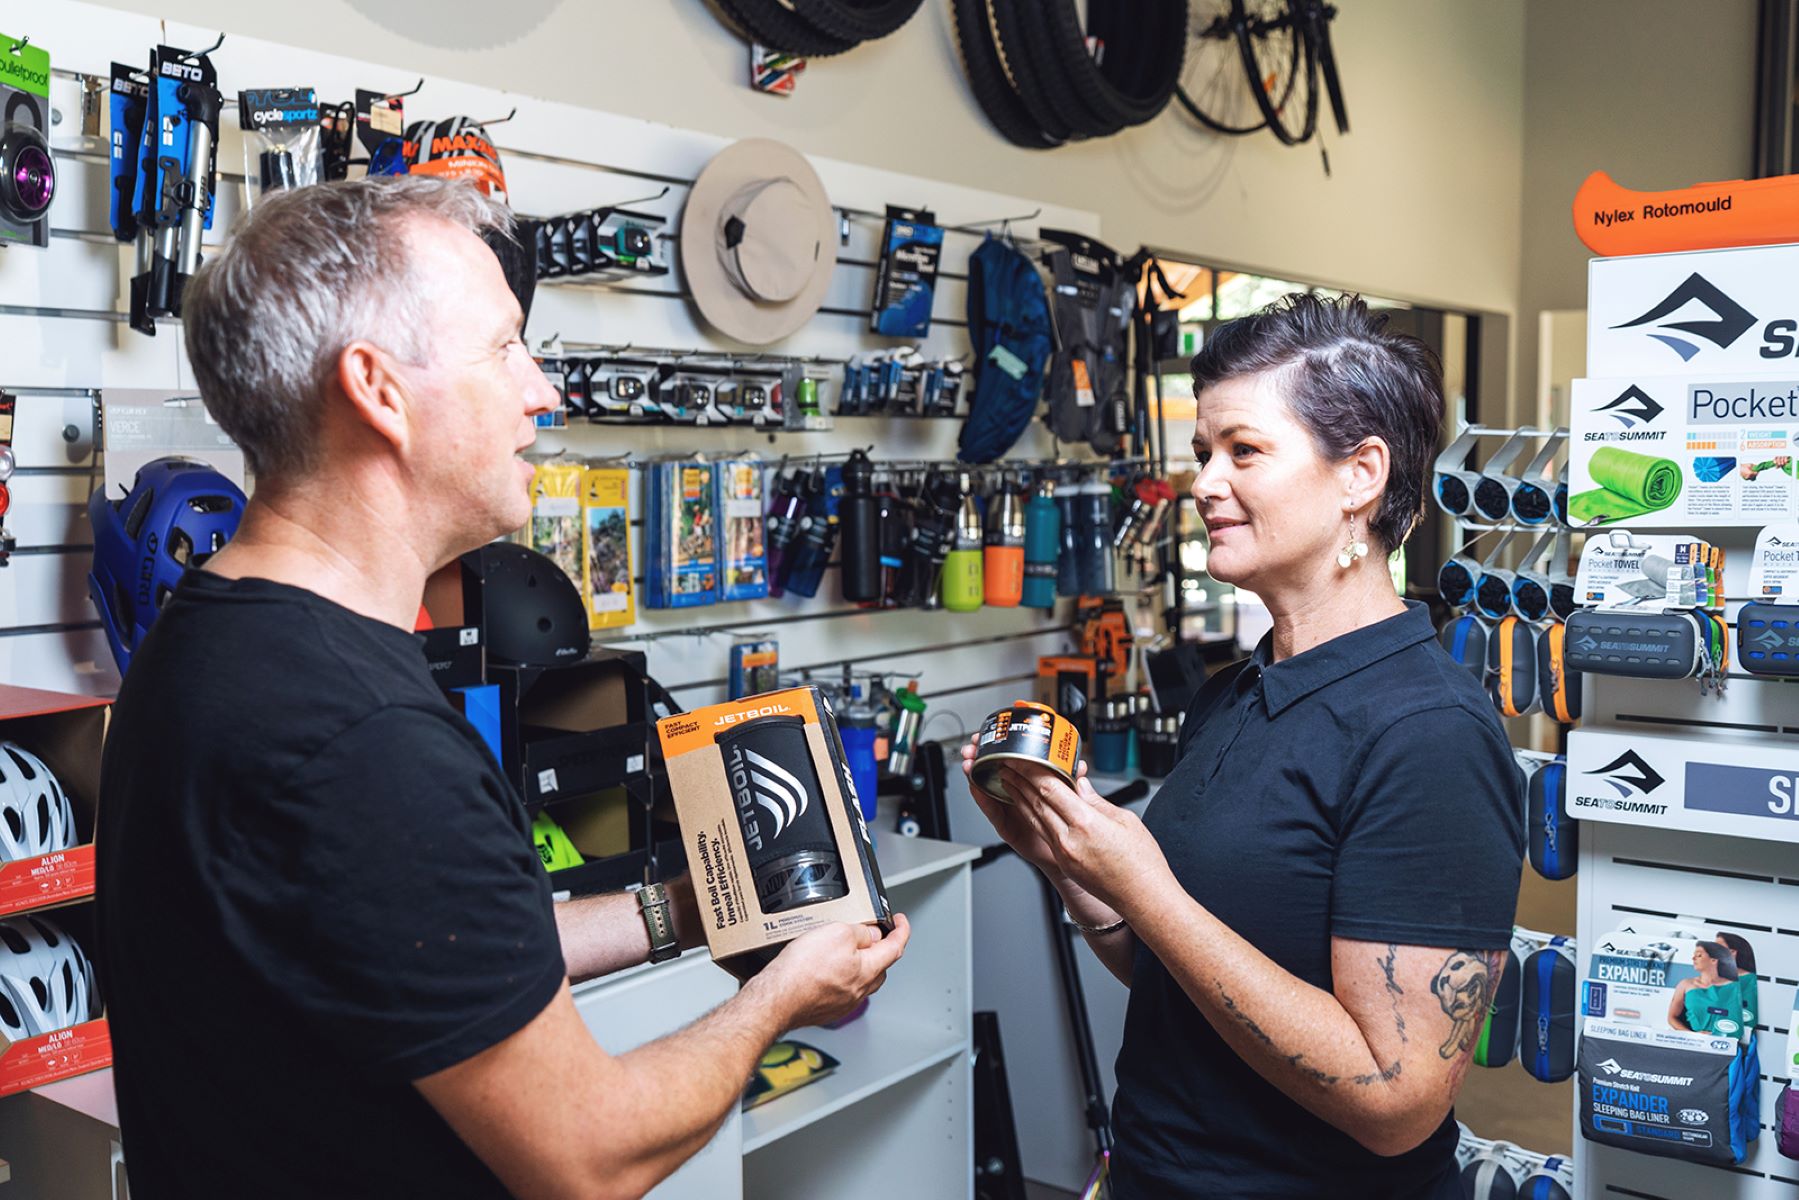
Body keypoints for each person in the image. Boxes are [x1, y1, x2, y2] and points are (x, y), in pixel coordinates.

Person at [95, 177, 909, 1200]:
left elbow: (409, 946)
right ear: (377, 390)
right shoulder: (357, 738)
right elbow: (589, 1155)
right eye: (503, 346)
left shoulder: (218, 641)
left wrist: (692, 909)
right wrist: (780, 997)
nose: (543, 391)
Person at [966, 294, 1523, 1198]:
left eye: (1243, 451)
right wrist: (1071, 865)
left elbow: (1397, 1103)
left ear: (1360, 475)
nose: (1203, 483)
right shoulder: (1233, 691)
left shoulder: (1429, 734)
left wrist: (1145, 881)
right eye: (1201, 455)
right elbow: (1174, 976)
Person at [1669, 941, 1742, 1035]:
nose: (1693, 958)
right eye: (1694, 955)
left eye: (1699, 955)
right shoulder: (1685, 985)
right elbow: (1672, 1017)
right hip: (1693, 1042)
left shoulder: (1735, 987)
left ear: (1714, 960)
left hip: (1726, 1042)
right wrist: (1693, 1036)